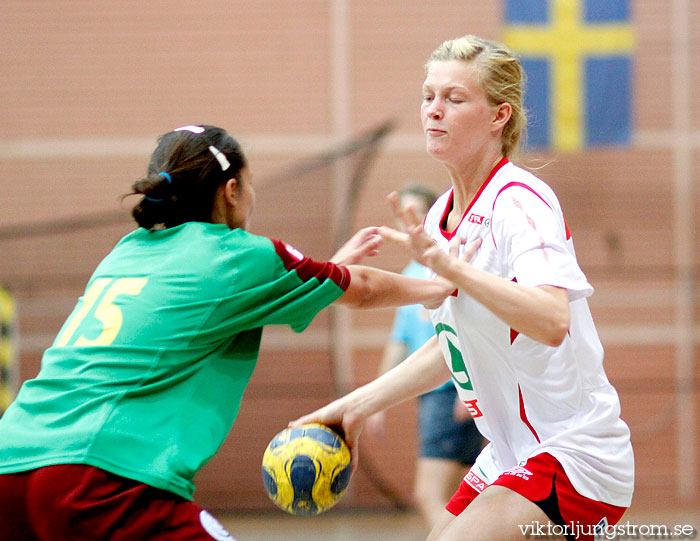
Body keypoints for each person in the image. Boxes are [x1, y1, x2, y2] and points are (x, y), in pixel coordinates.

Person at [0, 124, 456, 541]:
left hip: (13, 462)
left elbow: (213, 305)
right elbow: (367, 288)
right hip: (99, 473)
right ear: (232, 190)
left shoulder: (127, 251)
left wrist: (332, 268)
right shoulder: (237, 255)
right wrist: (443, 285)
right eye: (251, 182)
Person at [290, 35, 634, 541]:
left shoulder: (521, 201)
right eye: (429, 96)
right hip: (510, 453)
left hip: (576, 453)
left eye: (454, 98)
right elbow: (451, 344)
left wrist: (452, 272)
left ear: (499, 116)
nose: (434, 110)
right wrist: (355, 407)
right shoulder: (440, 215)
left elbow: (552, 320)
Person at [365, 183, 483, 527]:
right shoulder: (409, 276)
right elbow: (399, 343)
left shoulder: (451, 269)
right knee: (459, 498)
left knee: (428, 494)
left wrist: (469, 390)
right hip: (431, 395)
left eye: (414, 211)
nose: (405, 222)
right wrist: (378, 400)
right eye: (400, 214)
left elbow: (471, 331)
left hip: (450, 394)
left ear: (432, 216)